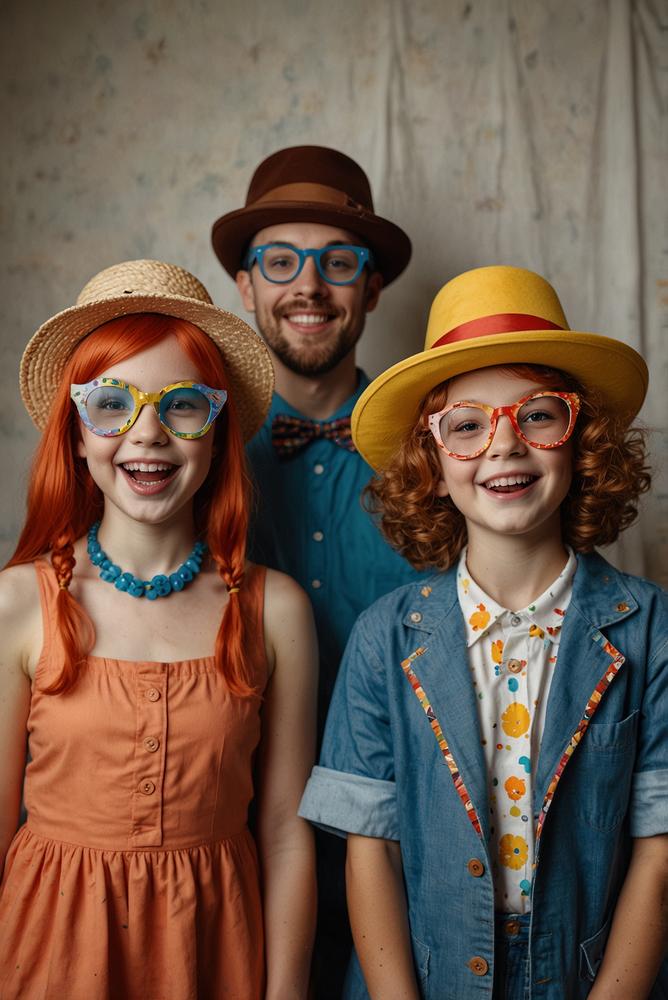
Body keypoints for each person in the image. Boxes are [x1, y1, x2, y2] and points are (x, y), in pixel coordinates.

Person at [300, 265, 668, 999]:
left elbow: (660, 852)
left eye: (537, 414)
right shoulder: (385, 636)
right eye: (465, 425)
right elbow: (369, 852)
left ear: (581, 439)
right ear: (431, 464)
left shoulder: (651, 628)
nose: (504, 446)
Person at [0, 259, 317, 1000]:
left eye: (181, 406)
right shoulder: (19, 603)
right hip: (47, 956)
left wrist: (287, 992)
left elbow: (283, 832)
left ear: (216, 436)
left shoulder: (276, 611)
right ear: (77, 436)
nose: (147, 435)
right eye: (111, 404)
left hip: (213, 954)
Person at [212, 144, 429, 994]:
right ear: (245, 286)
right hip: (236, 855)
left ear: (372, 288)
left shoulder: (447, 459)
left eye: (337, 262)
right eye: (280, 261)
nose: (308, 285)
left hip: (411, 852)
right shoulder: (185, 466)